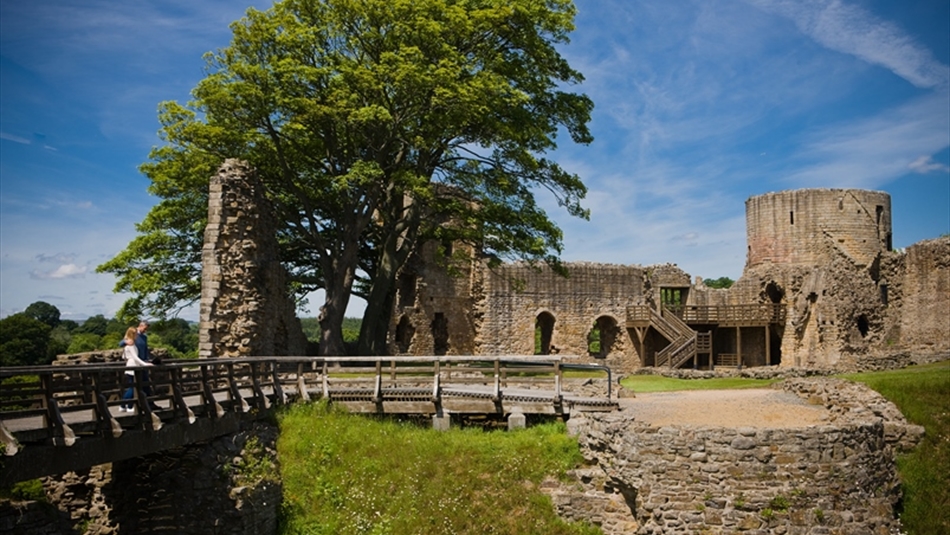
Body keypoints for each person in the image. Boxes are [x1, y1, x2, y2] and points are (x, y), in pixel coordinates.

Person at [120, 326, 153, 412]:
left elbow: (124, 356)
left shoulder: (132, 343)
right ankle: (127, 405)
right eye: (135, 334)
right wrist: (145, 364)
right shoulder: (130, 344)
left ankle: (125, 405)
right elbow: (135, 357)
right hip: (133, 366)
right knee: (134, 387)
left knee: (135, 386)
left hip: (134, 365)